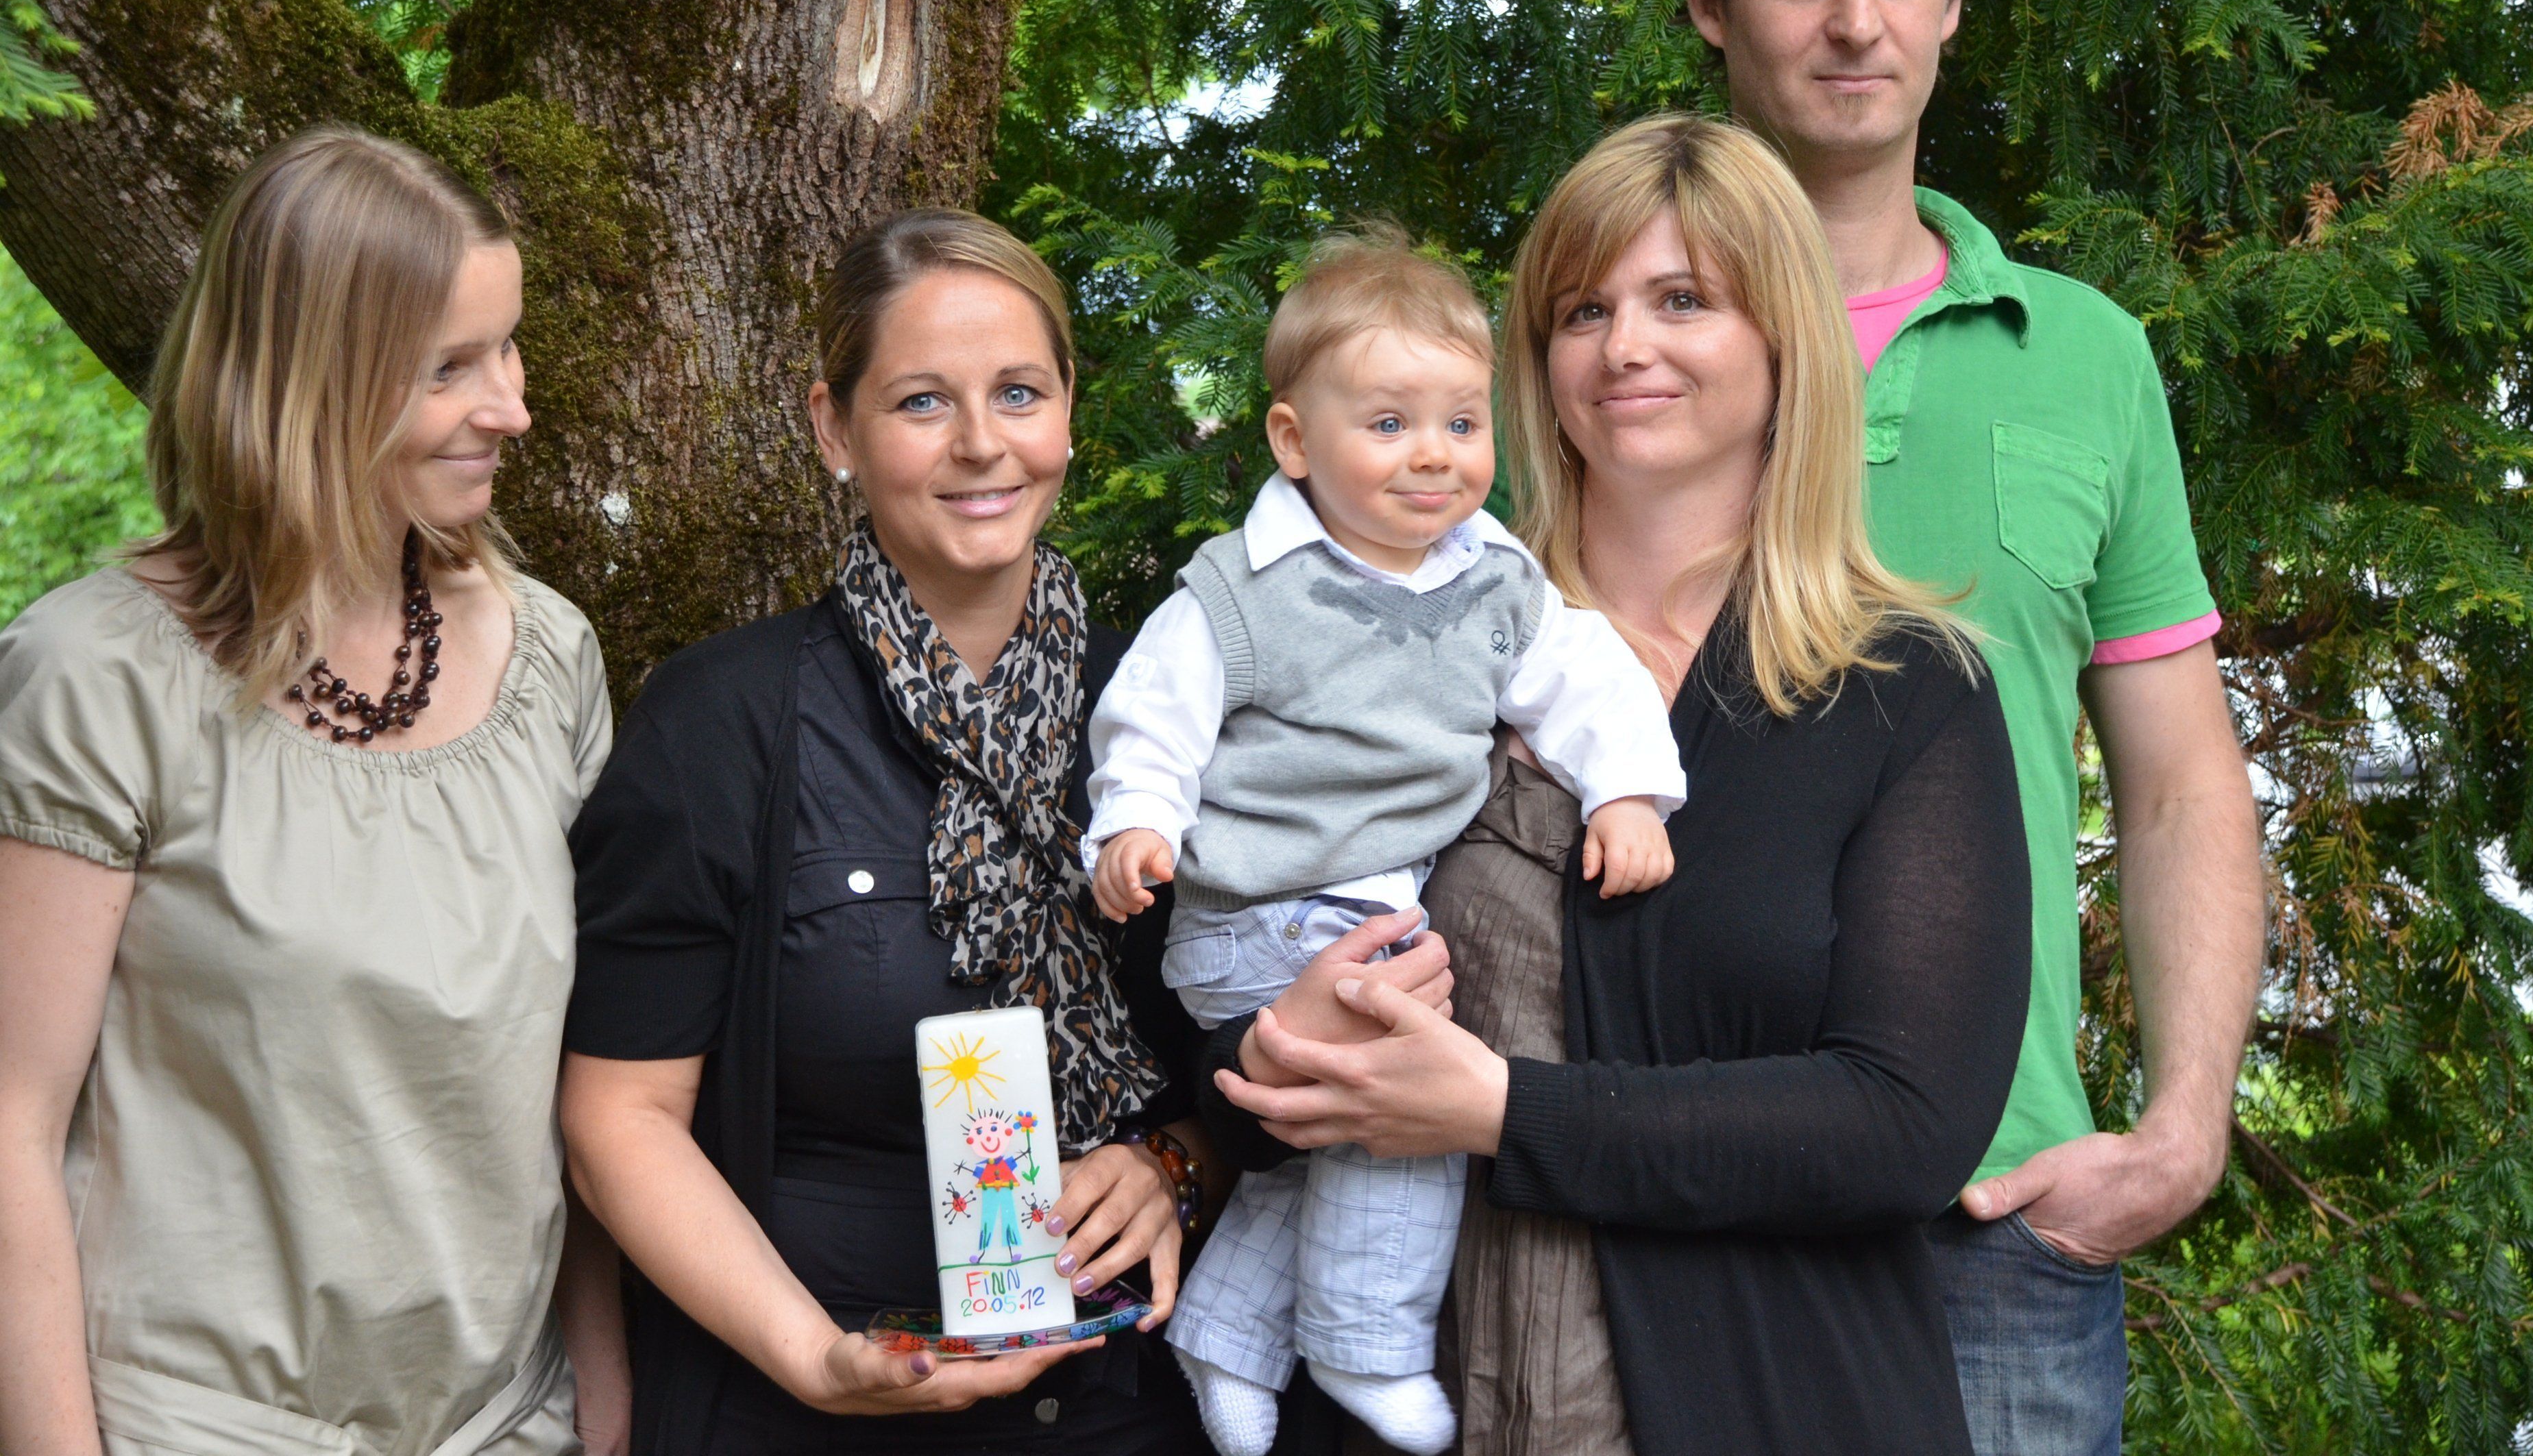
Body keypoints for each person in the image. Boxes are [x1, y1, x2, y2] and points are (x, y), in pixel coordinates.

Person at [552, 208, 1457, 1456]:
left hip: (1126, 1410)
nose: (982, 443)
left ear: (1068, 415)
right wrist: (814, 1358)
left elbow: (1237, 1051)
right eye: (922, 402)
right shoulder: (727, 721)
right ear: (835, 429)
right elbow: (618, 1120)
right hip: (807, 1406)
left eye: (1019, 393)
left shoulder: (1178, 708)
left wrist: (1175, 1163)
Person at [1206, 114, 2035, 1453]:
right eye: (1584, 310)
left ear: (1785, 339)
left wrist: (1509, 1115)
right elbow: (1215, 980)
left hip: (1773, 1404)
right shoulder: (1384, 636)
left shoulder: (1906, 690)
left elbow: (1906, 1124)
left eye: (1683, 300)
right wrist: (1267, 1053)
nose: (1625, 346)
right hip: (1407, 1396)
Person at [1679, 0, 2266, 1449]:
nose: (1856, 22)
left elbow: (2179, 783)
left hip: (1999, 1208)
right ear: (1714, 6)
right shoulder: (1608, 346)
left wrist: (2183, 1128)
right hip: (1657, 1184)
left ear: (1951, 3)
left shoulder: (2086, 355)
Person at [0, 126, 622, 1456]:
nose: (511, 407)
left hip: (508, 1426)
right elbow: (11, 1126)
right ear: (305, 383)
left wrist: (604, 1386)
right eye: (449, 368)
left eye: (507, 349)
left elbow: (584, 1085)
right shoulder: (97, 678)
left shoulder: (550, 657)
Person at [1083, 232, 1685, 1456]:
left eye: (1462, 423)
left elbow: (1589, 681)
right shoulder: (1246, 588)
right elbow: (1156, 709)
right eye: (1390, 424)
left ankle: (1229, 1334)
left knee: (1326, 1137)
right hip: (1259, 911)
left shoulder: (1494, 581)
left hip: (1361, 906)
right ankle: (1366, 1338)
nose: (1434, 455)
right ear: (1294, 441)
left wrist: (1626, 794)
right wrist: (1138, 818)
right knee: (1407, 1080)